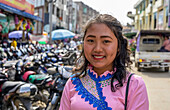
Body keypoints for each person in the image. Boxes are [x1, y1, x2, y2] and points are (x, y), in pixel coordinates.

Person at [59, 14, 149, 110]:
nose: (97, 49)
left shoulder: (134, 85)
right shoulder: (73, 83)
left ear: (118, 46)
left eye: (106, 41)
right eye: (90, 40)